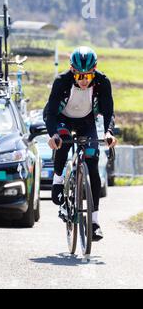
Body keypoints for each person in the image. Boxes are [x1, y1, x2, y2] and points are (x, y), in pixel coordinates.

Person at [44, 46, 117, 241]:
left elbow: (109, 112)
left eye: (88, 77)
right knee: (63, 141)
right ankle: (58, 180)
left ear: (95, 71)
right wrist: (53, 135)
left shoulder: (103, 81)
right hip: (62, 118)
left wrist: (109, 132)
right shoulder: (61, 81)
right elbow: (50, 113)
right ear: (72, 71)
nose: (84, 81)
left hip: (86, 120)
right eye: (79, 77)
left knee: (92, 162)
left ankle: (94, 222)